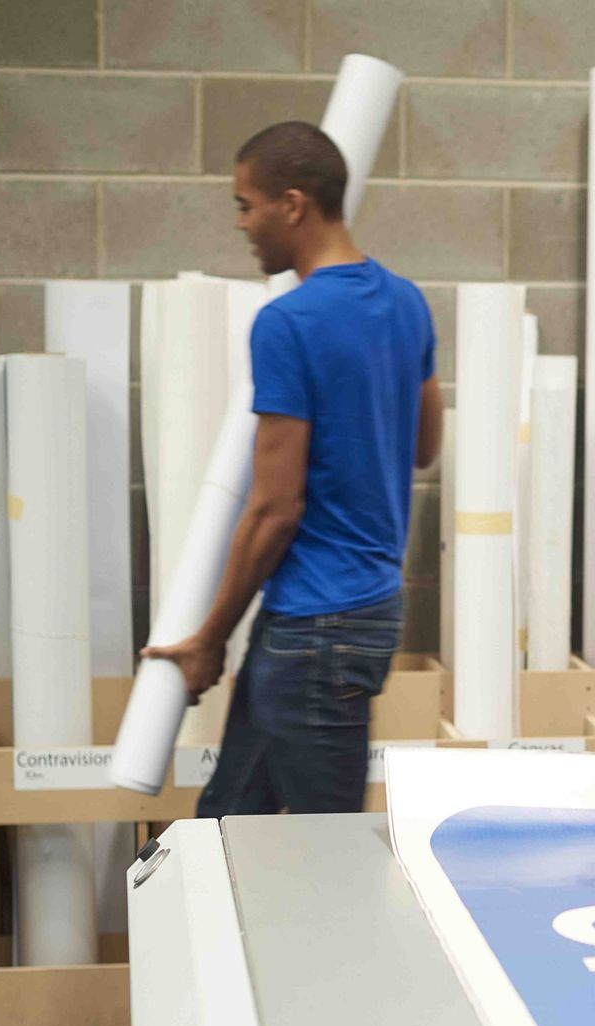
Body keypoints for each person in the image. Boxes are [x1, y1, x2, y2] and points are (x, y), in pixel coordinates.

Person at [143, 122, 443, 817]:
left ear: (294, 203)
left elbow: (276, 508)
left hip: (316, 628)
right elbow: (425, 445)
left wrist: (209, 638)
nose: (243, 223)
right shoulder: (405, 301)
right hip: (357, 612)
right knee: (225, 827)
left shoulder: (288, 322)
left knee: (328, 850)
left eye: (246, 204)